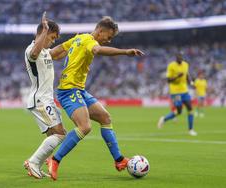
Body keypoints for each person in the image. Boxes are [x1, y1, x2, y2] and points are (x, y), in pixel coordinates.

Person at [45, 16, 145, 180]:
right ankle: (54, 160)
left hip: (78, 90)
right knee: (85, 127)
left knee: (105, 117)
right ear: (100, 31)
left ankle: (119, 160)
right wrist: (125, 52)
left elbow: (55, 54)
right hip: (69, 91)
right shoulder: (90, 41)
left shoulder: (78, 38)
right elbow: (97, 50)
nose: (109, 40)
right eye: (109, 36)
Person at [23, 12, 68, 179]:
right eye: (52, 36)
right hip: (40, 100)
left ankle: (36, 164)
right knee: (60, 133)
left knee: (54, 135)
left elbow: (59, 52)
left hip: (47, 100)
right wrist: (44, 31)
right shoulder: (31, 50)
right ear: (44, 32)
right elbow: (35, 53)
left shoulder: (46, 52)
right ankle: (33, 162)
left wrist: (76, 44)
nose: (53, 40)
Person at [157, 53, 197, 136]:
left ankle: (191, 129)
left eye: (181, 57)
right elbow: (168, 80)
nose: (180, 59)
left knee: (190, 108)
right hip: (175, 92)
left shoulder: (185, 64)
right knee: (179, 111)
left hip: (184, 91)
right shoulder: (171, 66)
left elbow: (187, 75)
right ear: (176, 58)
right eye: (179, 57)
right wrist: (177, 76)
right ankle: (164, 119)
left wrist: (191, 83)